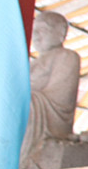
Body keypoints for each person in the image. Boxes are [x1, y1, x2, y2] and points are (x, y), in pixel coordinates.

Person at [24, 11, 80, 152]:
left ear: (61, 32)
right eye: (34, 31)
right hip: (28, 105)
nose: (36, 36)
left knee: (22, 102)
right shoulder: (32, 63)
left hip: (46, 115)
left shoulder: (67, 57)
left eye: (42, 30)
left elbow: (61, 97)